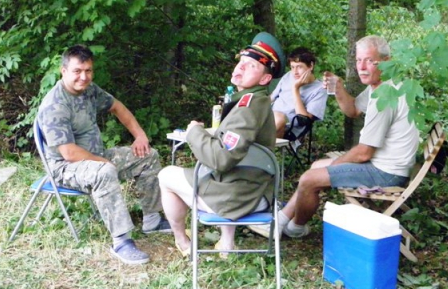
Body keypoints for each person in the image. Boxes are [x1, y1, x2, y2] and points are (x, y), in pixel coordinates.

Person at [251, 35, 419, 239]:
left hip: (386, 172)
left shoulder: (385, 97)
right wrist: (338, 89)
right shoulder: (381, 86)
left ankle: (290, 227)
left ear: (386, 61)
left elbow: (363, 153)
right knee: (316, 166)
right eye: (358, 60)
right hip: (385, 163)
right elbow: (353, 110)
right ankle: (287, 222)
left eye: (369, 60)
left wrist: (335, 165)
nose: (361, 67)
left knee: (309, 179)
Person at [37, 45, 171, 266]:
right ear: (64, 71)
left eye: (88, 71)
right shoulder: (55, 105)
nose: (83, 77)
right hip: (64, 167)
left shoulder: (89, 90)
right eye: (77, 71)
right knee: (105, 170)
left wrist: (140, 136)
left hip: (95, 156)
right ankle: (121, 241)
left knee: (148, 156)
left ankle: (152, 219)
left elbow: (117, 107)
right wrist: (102, 162)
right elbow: (68, 153)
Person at [158, 32, 285, 257]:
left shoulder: (247, 107)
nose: (241, 67)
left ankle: (183, 243)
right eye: (241, 61)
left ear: (265, 79)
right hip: (255, 193)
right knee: (224, 174)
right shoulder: (256, 101)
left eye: (252, 66)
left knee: (166, 175)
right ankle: (227, 244)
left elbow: (221, 159)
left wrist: (194, 132)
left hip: (240, 201)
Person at [270, 47, 328, 138]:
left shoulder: (319, 89)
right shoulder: (288, 75)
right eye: (292, 67)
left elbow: (303, 120)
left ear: (311, 66)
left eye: (299, 67)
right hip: (270, 116)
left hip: (288, 127)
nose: (295, 72)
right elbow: (271, 98)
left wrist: (295, 88)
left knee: (278, 119)